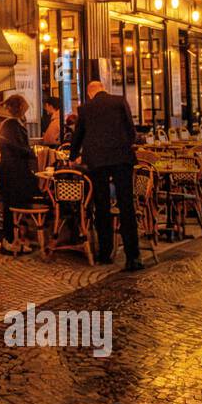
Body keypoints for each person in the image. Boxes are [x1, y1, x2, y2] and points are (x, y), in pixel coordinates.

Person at [70, 80, 142, 269]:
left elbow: (78, 135)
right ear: (103, 89)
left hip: (97, 162)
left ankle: (104, 253)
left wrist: (72, 157)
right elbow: (131, 130)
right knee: (126, 207)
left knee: (101, 207)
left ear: (89, 93)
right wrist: (126, 145)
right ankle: (133, 257)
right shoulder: (119, 101)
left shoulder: (85, 109)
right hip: (121, 158)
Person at [0, 94, 40, 254]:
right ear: (19, 108)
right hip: (14, 171)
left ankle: (15, 238)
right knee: (12, 206)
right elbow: (17, 146)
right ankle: (10, 239)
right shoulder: (12, 125)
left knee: (12, 205)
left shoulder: (9, 125)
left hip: (11, 170)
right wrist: (30, 153)